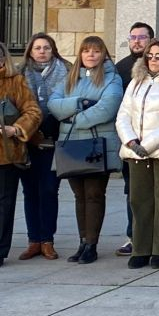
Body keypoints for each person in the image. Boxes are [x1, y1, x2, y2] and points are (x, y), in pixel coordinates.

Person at [48, 35, 124, 264]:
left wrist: (72, 118)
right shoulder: (70, 77)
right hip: (71, 144)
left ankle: (92, 244)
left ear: (103, 54)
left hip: (97, 144)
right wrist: (79, 103)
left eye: (96, 51)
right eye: (86, 51)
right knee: (78, 195)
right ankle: (82, 241)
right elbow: (53, 103)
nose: (91, 55)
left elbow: (107, 108)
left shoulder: (112, 78)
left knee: (93, 194)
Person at [116, 39, 159, 269]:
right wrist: (131, 140)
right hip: (135, 151)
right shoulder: (136, 81)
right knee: (139, 200)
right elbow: (123, 114)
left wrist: (148, 144)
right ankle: (141, 248)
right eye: (150, 56)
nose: (153, 60)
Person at [16, 33, 70, 261]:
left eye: (46, 47)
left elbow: (67, 104)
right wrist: (29, 131)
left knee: (49, 190)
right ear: (30, 50)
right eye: (37, 47)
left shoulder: (66, 71)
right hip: (25, 140)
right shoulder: (19, 73)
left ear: (53, 50)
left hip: (53, 139)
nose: (42, 51)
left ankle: (47, 240)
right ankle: (34, 241)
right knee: (30, 192)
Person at [113, 21, 154, 256]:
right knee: (133, 192)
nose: (137, 41)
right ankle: (134, 236)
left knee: (158, 191)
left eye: (142, 37)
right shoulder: (120, 69)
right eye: (133, 37)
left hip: (158, 142)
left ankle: (156, 236)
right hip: (131, 143)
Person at [0, 42, 41, 268]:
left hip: (6, 154)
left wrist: (15, 129)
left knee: (4, 205)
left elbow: (33, 111)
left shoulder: (16, 81)